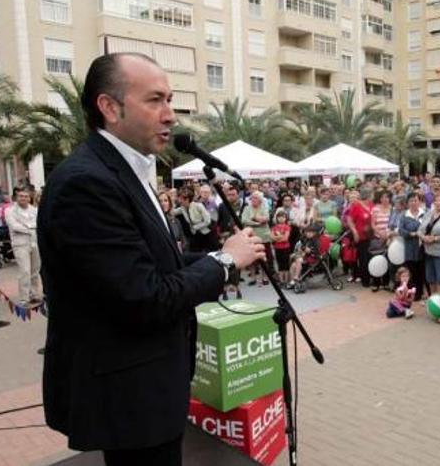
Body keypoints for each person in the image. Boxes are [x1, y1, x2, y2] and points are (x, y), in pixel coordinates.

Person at [38, 53, 265, 465]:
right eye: (156, 100)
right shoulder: (86, 184)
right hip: (129, 395)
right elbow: (144, 297)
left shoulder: (126, 171)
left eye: (171, 100)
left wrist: (223, 254)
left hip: (150, 385)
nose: (171, 115)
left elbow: (158, 261)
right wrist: (225, 263)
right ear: (110, 107)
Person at [5, 187, 43, 306]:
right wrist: (31, 227)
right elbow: (14, 226)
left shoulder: (34, 210)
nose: (23, 198)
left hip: (35, 242)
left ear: (30, 198)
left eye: (26, 196)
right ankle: (24, 298)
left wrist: (27, 227)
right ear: (16, 197)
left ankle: (34, 294)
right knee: (25, 271)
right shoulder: (10, 211)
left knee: (35, 270)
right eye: (21, 196)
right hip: (20, 244)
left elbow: (40, 223)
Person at [241, 191, 273, 287]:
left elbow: (266, 219)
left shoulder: (264, 207)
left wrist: (253, 218)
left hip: (264, 236)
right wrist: (257, 222)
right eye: (252, 198)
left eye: (255, 198)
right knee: (252, 258)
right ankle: (253, 278)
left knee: (264, 257)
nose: (253, 200)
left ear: (260, 200)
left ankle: (264, 277)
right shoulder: (247, 208)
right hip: (251, 236)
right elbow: (244, 220)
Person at [399, 193, 426, 301]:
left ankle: (421, 292)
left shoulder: (425, 213)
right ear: (408, 203)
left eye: (415, 200)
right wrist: (411, 234)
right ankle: (412, 293)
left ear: (419, 202)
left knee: (421, 271)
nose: (414, 203)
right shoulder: (404, 215)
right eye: (411, 201)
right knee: (411, 271)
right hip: (410, 248)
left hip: (423, 247)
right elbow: (401, 230)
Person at [346, 187, 375, 288]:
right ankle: (365, 280)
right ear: (368, 195)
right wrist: (354, 231)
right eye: (372, 194)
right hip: (361, 236)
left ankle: (372, 277)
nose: (373, 196)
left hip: (372, 236)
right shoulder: (356, 205)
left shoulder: (372, 205)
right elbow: (349, 219)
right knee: (363, 258)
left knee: (371, 257)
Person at [175, 188, 218, 253]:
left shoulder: (198, 206)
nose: (179, 200)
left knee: (210, 253)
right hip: (196, 235)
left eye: (181, 199)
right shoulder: (182, 208)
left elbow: (207, 221)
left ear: (187, 199)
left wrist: (195, 227)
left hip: (207, 234)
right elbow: (172, 212)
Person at [370, 190, 393, 292]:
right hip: (378, 238)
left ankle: (386, 283)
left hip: (390, 238)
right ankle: (376, 283)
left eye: (387, 197)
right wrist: (380, 234)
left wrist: (388, 235)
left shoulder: (392, 209)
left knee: (387, 260)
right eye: (383, 197)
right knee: (377, 260)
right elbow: (373, 224)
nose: (385, 199)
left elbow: (394, 223)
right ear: (380, 198)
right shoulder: (375, 209)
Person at [271, 210, 292, 286]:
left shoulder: (287, 227)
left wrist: (277, 237)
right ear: (277, 218)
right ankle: (281, 280)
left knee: (286, 264)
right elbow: (272, 238)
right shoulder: (274, 227)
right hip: (277, 248)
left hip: (286, 247)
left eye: (283, 217)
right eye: (279, 217)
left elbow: (286, 238)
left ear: (285, 218)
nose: (281, 219)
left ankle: (286, 280)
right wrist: (280, 237)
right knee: (280, 264)